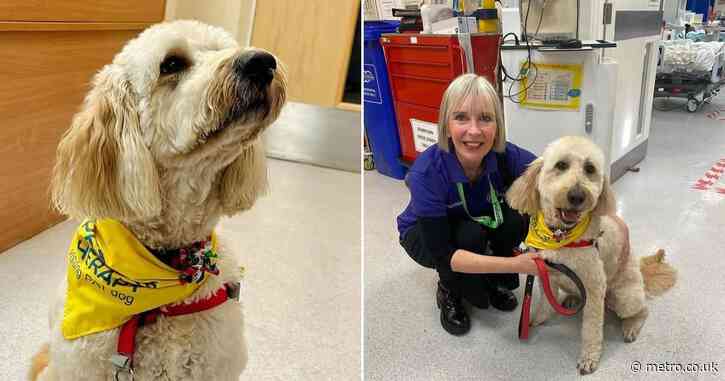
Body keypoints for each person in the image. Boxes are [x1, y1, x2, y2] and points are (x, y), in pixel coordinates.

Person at [397, 73, 540, 336]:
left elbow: (552, 175)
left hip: (473, 217)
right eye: (461, 117)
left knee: (514, 218)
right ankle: (449, 291)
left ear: (497, 125)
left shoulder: (505, 155)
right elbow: (444, 253)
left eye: (485, 118)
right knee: (468, 236)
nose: (474, 131)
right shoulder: (426, 173)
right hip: (423, 234)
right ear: (446, 124)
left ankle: (491, 278)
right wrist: (516, 265)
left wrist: (603, 213)